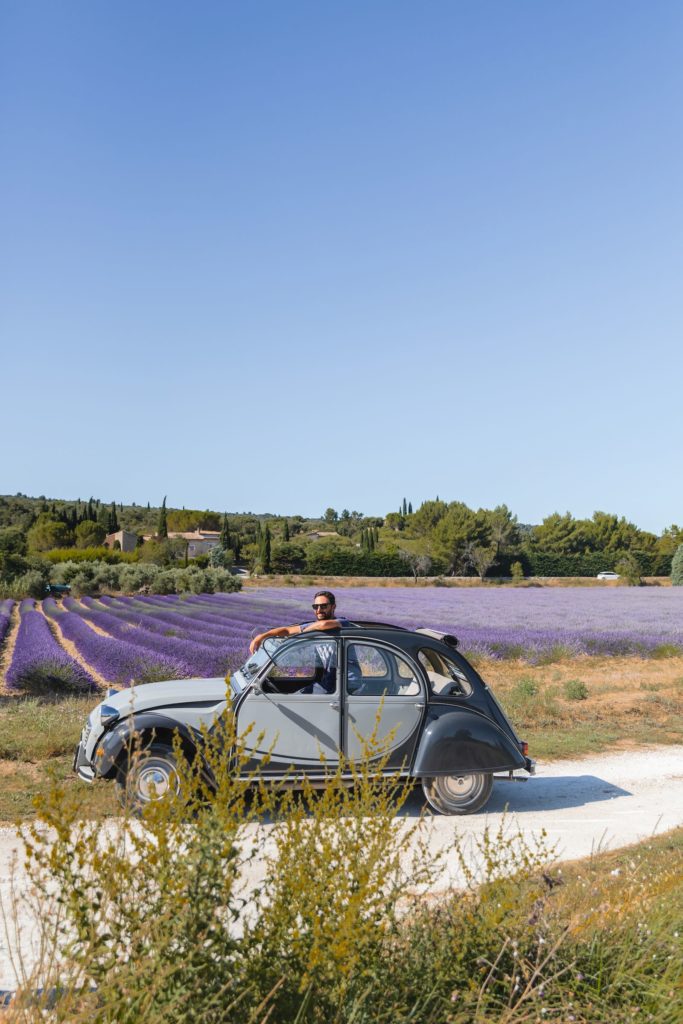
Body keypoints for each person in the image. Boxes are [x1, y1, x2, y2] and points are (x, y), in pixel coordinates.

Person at [248, 591, 351, 654]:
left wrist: (303, 633)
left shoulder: (342, 622)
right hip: (327, 680)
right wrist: (261, 637)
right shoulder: (314, 626)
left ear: (333, 607)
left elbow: (323, 625)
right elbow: (287, 630)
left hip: (348, 683)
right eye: (315, 607)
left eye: (323, 606)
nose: (319, 610)